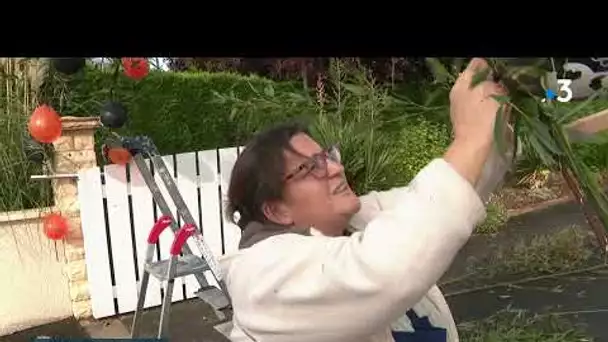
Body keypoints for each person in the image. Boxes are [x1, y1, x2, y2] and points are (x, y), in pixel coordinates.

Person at [218, 58, 514, 342]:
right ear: (277, 210)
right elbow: (383, 271)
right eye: (310, 167)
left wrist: (496, 118)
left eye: (327, 156)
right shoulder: (261, 278)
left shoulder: (360, 220)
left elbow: (449, 198)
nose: (336, 168)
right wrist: (470, 137)